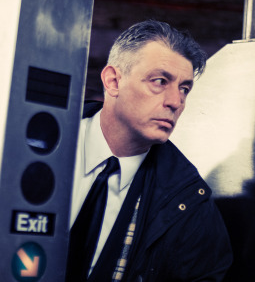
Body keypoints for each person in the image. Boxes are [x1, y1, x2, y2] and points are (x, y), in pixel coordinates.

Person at [66, 20, 233, 281]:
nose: (176, 101)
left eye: (184, 89)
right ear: (113, 81)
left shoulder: (190, 203)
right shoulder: (36, 142)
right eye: (159, 81)